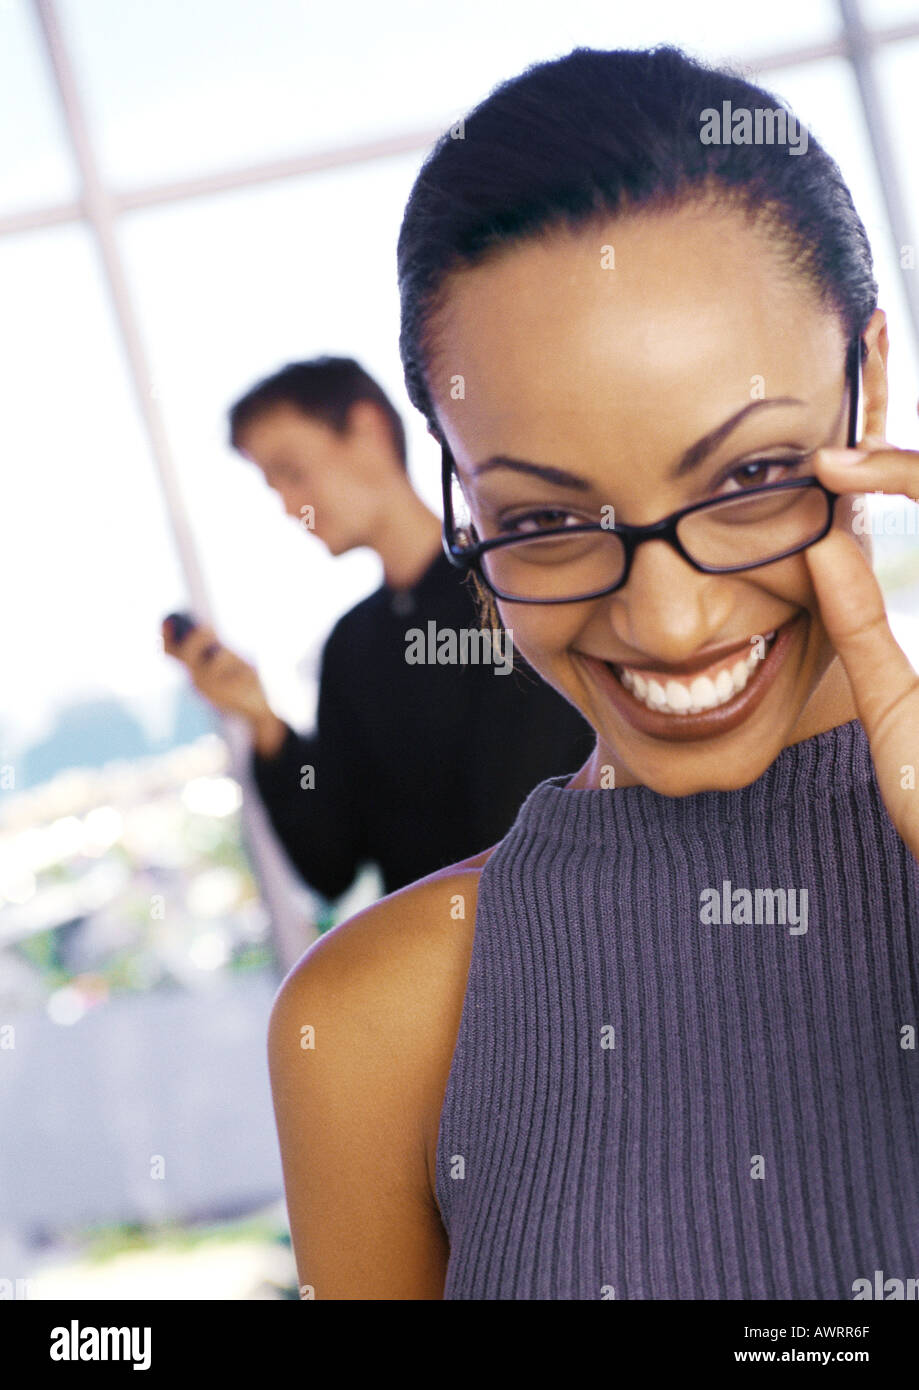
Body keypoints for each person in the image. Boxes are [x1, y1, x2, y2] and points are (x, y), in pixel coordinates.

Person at [268, 45, 919, 1300]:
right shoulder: (377, 1027)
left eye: (747, 478)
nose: (668, 622)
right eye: (546, 521)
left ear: (869, 383)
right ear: (458, 488)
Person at [163, 357, 594, 898]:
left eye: (293, 473)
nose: (291, 507)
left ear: (366, 430)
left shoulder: (513, 585)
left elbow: (514, 834)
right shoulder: (350, 647)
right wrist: (263, 721)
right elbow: (330, 868)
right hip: (427, 975)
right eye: (274, 488)